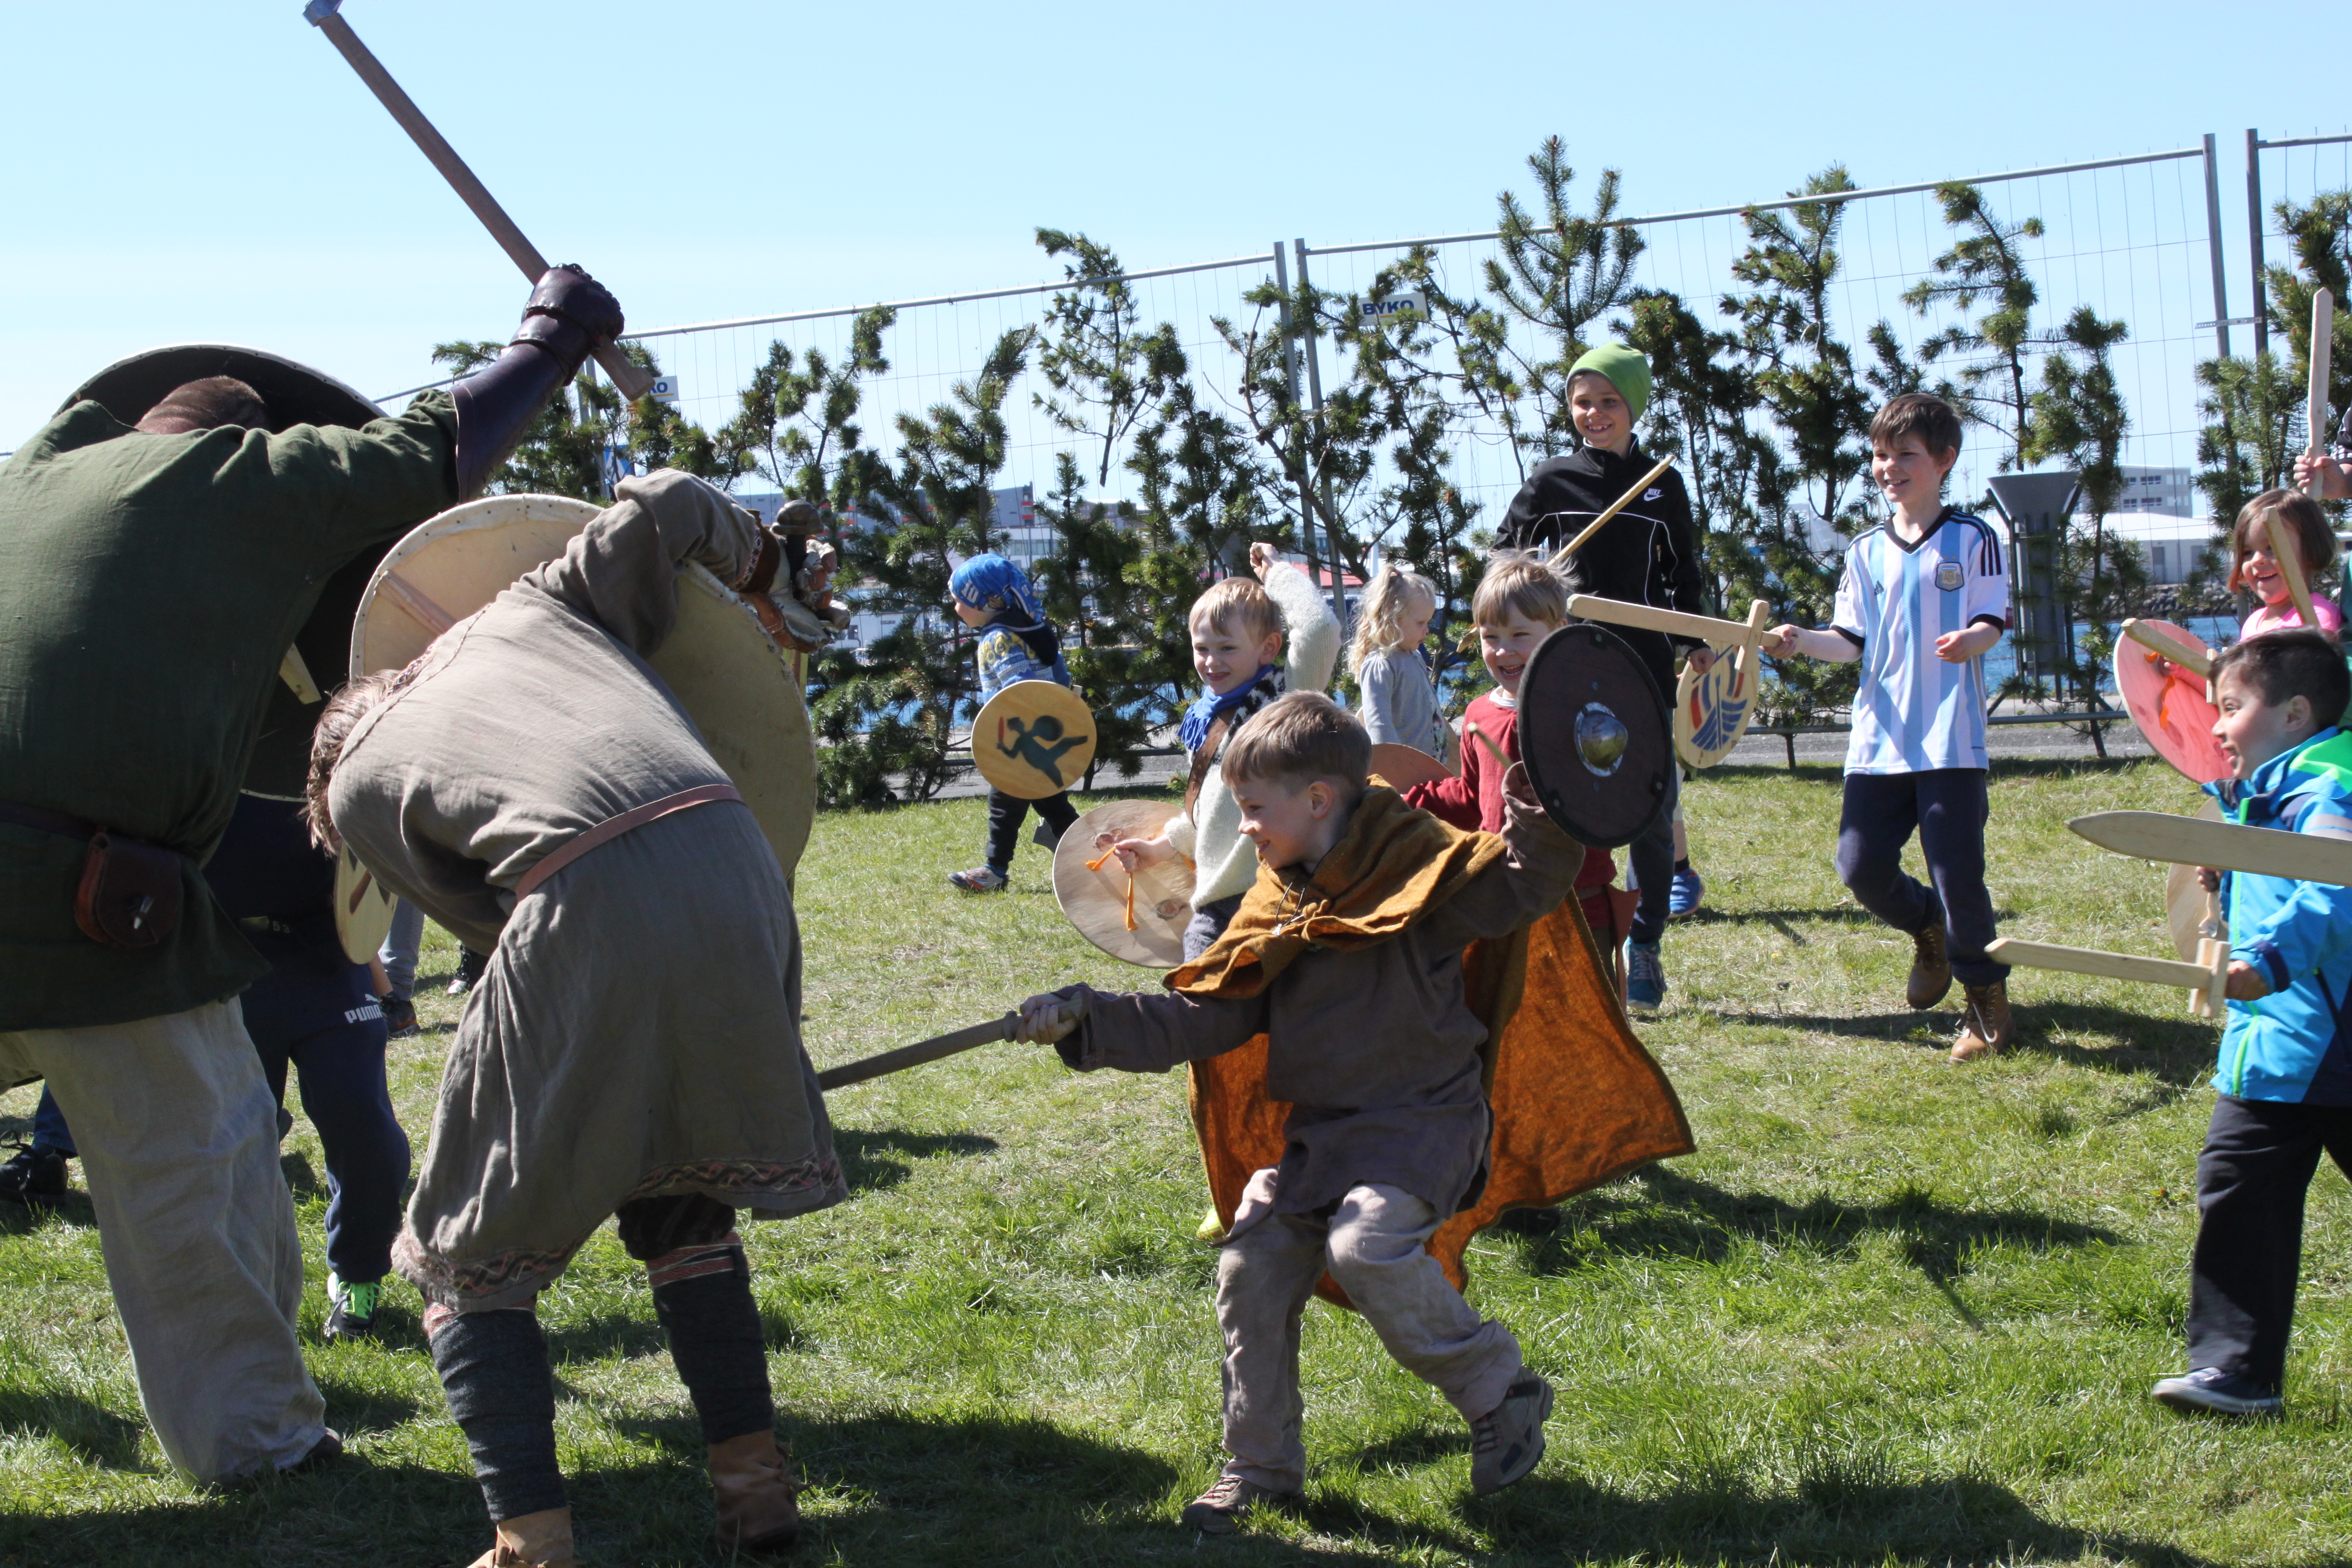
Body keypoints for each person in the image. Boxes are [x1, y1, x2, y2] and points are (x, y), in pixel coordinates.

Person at [0, 263, 621, 1483]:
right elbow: (437, 450)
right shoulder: (238, 485)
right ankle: (260, 1443)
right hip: (63, 895)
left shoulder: (24, 484)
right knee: (201, 1159)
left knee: (227, 1099)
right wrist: (553, 337)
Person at [311, 468, 837, 1564]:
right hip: (738, 863)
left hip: (581, 894)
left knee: (463, 1256)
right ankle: (756, 1491)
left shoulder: (359, 778)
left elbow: (501, 935)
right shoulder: (535, 605)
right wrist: (769, 569)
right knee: (686, 1204)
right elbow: (676, 500)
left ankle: (531, 1544)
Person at [1013, 694, 1570, 1529]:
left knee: (1365, 1245)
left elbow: (1520, 884)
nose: (1242, 832)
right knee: (1252, 1264)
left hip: (1423, 1121)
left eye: (1253, 810)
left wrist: (1550, 802)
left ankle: (1498, 1386)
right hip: (1327, 1138)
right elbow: (1206, 1012)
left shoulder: (1416, 877)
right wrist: (1085, 1015)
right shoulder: (1279, 901)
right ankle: (1260, 1467)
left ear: (1318, 800)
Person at [18, 793, 413, 1341]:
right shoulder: (194, 737)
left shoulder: (314, 719)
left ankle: (360, 1271)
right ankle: (246, 1292)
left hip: (327, 953)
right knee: (236, 1144)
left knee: (362, 1123)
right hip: (222, 961)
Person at [1762, 392, 2012, 1061]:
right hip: (1880, 743)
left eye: (1906, 455)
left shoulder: (1974, 539)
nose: (1889, 467)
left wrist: (1973, 640)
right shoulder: (1867, 551)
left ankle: (1985, 1001)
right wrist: (1797, 639)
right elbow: (1848, 641)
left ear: (1943, 461)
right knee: (1859, 866)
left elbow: (1993, 619)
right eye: (1880, 455)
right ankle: (1928, 927)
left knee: (1958, 871)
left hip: (1950, 742)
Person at [2150, 631, 2352, 1419]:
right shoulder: (2276, 790)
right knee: (2235, 1189)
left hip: (2330, 1044)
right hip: (2275, 1053)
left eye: (2233, 708)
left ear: (2297, 713)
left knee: (2240, 1190)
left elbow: (2333, 897)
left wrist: (2265, 966)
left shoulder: (2331, 789)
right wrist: (2230, 870)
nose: (2221, 726)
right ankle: (2236, 1372)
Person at [1493, 343, 1707, 1007]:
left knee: (1647, 810)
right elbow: (1505, 557)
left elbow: (1684, 575)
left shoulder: (1661, 485)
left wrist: (1698, 637)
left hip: (1642, 669)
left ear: (1633, 405)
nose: (1593, 413)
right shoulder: (1553, 483)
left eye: (1608, 401)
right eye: (1582, 402)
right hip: (1566, 667)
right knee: (1562, 802)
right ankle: (1567, 936)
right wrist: (1527, 581)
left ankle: (1644, 942)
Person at [1401, 553, 1635, 967]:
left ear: (1559, 633)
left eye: (1520, 634)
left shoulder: (1584, 713)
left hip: (1576, 898)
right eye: (1491, 637)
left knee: (1579, 1020)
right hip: (1502, 896)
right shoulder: (1478, 715)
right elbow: (1473, 797)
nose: (1504, 650)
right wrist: (1409, 800)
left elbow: (1610, 798)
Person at [1111, 544, 1341, 960]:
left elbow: (1321, 631)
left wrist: (1277, 574)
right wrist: (1162, 848)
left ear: (1269, 649)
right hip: (1222, 897)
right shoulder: (1206, 718)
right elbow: (1214, 811)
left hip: (1275, 892)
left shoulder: (1282, 701)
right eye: (1202, 648)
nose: (1211, 661)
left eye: (1228, 648)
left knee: (1206, 998)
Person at [946, 553, 1081, 892]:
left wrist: (1009, 736)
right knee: (1051, 802)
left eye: (960, 600)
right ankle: (1083, 850)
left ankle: (994, 872)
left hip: (1021, 742)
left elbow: (1019, 690)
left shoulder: (999, 639)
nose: (956, 608)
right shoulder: (1032, 629)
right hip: (1046, 735)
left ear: (989, 601)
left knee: (1004, 806)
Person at [1349, 562, 1448, 761]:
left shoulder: (1414, 656)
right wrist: (1395, 766)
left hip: (1432, 765)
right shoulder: (1381, 664)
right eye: (1421, 623)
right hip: (1406, 771)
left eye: (1428, 622)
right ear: (1392, 619)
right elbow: (1379, 724)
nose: (1427, 629)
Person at [2228, 489, 2343, 639]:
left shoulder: (2317, 615)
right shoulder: (2253, 622)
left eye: (2273, 548)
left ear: (2311, 551)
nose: (2257, 560)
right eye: (2248, 552)